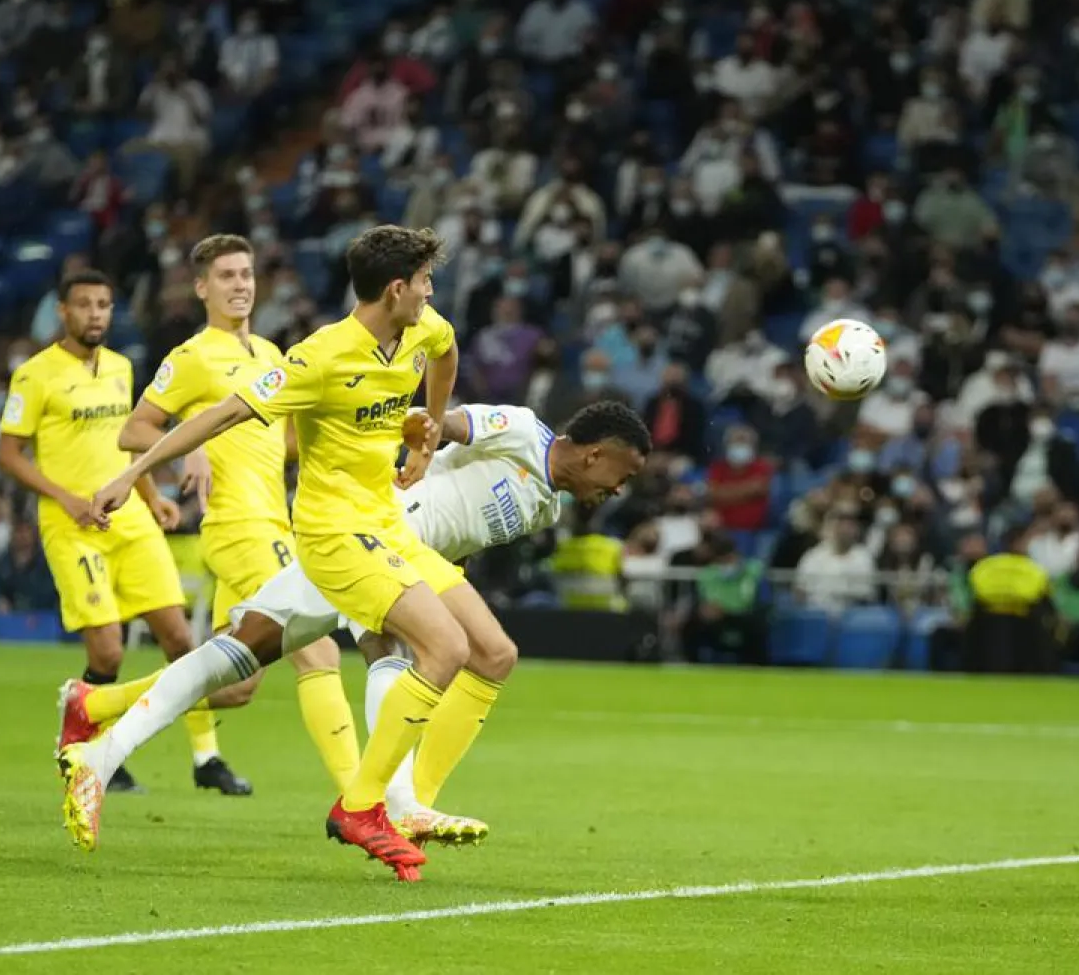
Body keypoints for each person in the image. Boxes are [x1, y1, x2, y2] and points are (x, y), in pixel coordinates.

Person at [62, 400, 649, 848]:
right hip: (369, 536)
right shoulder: (521, 430)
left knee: (241, 664)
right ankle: (403, 802)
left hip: (398, 558)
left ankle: (97, 716)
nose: (619, 490)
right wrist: (421, 441)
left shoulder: (547, 503)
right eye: (622, 475)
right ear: (597, 452)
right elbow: (438, 420)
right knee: (484, 652)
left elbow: (460, 537)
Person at [63, 226, 462, 881]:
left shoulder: (421, 328)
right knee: (440, 646)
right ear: (397, 288)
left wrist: (428, 429)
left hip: (370, 522)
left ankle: (98, 744)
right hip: (327, 535)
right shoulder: (313, 356)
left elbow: (443, 355)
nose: (431, 293)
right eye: (424, 281)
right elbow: (215, 417)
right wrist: (132, 475)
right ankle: (374, 802)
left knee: (238, 664)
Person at [55, 235, 360, 798]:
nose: (240, 284)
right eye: (226, 276)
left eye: (246, 274)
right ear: (202, 288)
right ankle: (363, 804)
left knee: (232, 684)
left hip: (274, 523)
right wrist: (188, 444)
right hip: (241, 529)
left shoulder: (271, 355)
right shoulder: (193, 357)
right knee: (317, 646)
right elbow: (133, 430)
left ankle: (94, 704)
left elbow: (285, 445)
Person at [0, 269, 248, 797]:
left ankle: (208, 758)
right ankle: (94, 749)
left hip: (130, 517)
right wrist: (64, 496)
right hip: (73, 527)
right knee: (108, 652)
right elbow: (8, 454)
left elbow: (131, 441)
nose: (95, 314)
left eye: (104, 305)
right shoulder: (35, 375)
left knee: (180, 639)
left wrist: (153, 497)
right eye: (84, 305)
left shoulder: (120, 367)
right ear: (63, 312)